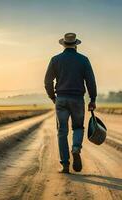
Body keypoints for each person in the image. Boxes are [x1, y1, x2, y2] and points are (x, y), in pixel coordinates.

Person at [44, 33, 97, 173]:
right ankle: (75, 148)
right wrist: (93, 99)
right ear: (75, 45)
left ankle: (65, 165)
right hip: (78, 99)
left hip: (61, 99)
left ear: (63, 44)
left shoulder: (55, 60)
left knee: (62, 132)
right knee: (78, 127)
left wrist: (53, 98)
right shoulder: (83, 60)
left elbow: (47, 81)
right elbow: (90, 81)